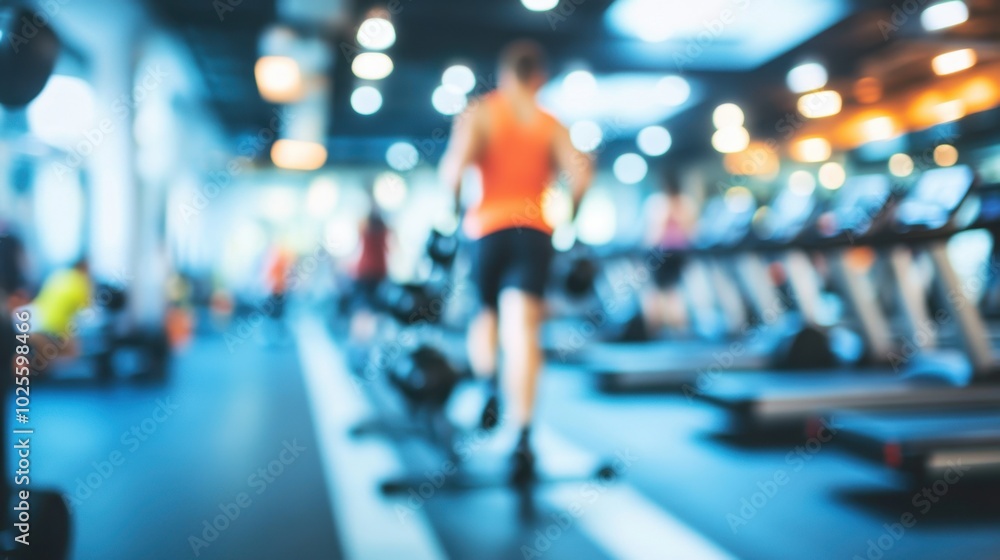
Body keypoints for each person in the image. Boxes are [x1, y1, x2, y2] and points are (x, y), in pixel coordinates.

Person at [440, 40, 593, 483]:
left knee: (484, 316)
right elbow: (580, 176)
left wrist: (453, 211)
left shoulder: (482, 113)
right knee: (523, 331)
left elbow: (453, 171)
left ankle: (489, 383)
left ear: (504, 74)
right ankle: (522, 438)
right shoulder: (549, 123)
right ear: (539, 77)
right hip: (535, 233)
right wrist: (572, 220)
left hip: (488, 230)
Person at [642, 170, 697, 334]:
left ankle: (661, 327)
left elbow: (654, 232)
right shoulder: (683, 203)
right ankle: (668, 327)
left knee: (661, 290)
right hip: (674, 251)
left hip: (666, 251)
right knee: (669, 290)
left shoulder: (660, 203)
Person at [30, 258, 92, 365]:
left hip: (34, 320)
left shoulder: (59, 275)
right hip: (55, 327)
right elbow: (87, 310)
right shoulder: (81, 282)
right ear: (84, 268)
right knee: (74, 352)